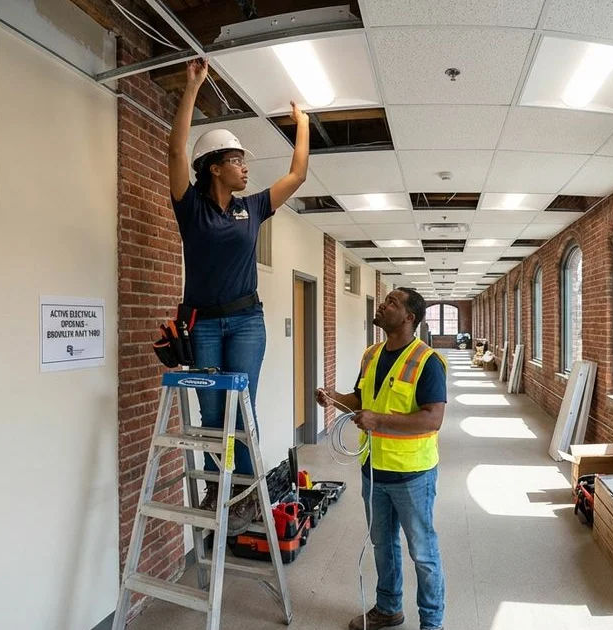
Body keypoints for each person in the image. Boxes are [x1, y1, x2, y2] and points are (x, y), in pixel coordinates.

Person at [167, 58, 310, 534]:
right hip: (204, 324)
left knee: (241, 409)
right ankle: (219, 483)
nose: (246, 167)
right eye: (236, 160)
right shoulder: (190, 208)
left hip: (247, 321)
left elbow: (297, 175)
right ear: (214, 168)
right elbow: (175, 151)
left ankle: (247, 491)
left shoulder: (253, 208)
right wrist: (192, 87)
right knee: (212, 413)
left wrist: (303, 125)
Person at [315, 288, 448, 630]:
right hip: (374, 470)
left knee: (423, 553)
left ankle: (432, 623)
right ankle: (389, 608)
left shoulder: (427, 361)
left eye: (392, 302)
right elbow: (361, 401)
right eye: (385, 300)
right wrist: (334, 398)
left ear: (409, 317)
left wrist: (379, 420)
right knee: (382, 545)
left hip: (412, 474)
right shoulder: (371, 355)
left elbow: (433, 418)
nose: (383, 304)